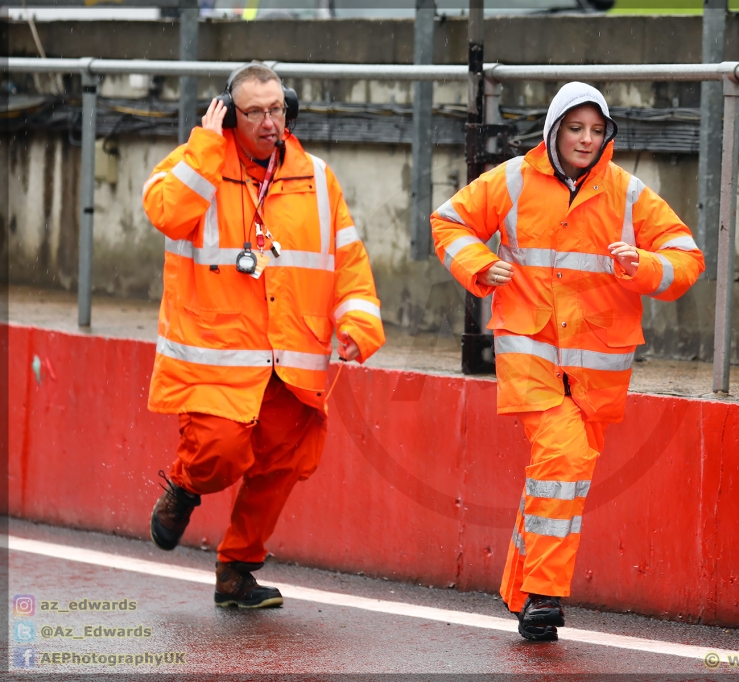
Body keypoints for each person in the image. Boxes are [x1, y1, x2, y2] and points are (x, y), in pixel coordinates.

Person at [431, 82, 705, 641]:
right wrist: (481, 266)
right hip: (530, 352)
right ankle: (545, 597)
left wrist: (643, 265)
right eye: (575, 128)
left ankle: (521, 589)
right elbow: (448, 222)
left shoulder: (628, 195)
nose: (586, 139)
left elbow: (688, 260)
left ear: (607, 135)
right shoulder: (512, 179)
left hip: (596, 371)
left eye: (596, 130)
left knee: (557, 475)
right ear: (553, 130)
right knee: (562, 458)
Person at [143, 62, 384, 608]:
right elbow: (164, 211)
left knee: (280, 465)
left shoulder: (318, 178)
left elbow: (347, 257)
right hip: (217, 357)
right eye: (254, 112)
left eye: (277, 109)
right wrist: (204, 148)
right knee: (221, 454)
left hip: (290, 358)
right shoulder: (197, 163)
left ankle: (237, 571)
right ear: (230, 115)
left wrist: (359, 320)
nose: (270, 122)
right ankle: (184, 485)